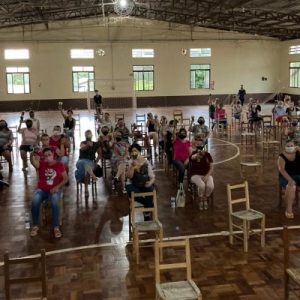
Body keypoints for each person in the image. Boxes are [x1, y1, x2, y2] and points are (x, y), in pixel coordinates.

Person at [30, 147, 68, 238]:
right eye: (46, 156)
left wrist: (57, 187)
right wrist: (31, 155)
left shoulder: (60, 165)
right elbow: (33, 163)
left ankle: (56, 227)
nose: (47, 157)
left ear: (53, 155)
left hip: (54, 189)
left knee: (55, 201)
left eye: (49, 155)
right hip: (42, 189)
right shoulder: (42, 164)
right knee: (35, 200)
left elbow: (66, 179)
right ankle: (35, 225)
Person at [126, 143, 155, 220]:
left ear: (139, 152)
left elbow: (152, 176)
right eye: (132, 152)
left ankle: (147, 213)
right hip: (132, 184)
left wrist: (150, 182)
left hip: (143, 183)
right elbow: (129, 176)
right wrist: (132, 166)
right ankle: (149, 205)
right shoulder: (130, 162)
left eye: (135, 151)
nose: (134, 153)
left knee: (150, 189)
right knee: (131, 191)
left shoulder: (146, 162)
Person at [189, 136, 214, 210]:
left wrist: (207, 175)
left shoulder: (208, 154)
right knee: (202, 185)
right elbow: (193, 157)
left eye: (201, 143)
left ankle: (205, 197)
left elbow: (211, 167)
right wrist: (198, 155)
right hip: (195, 175)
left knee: (210, 186)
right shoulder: (194, 153)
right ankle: (201, 200)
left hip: (206, 174)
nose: (199, 144)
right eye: (198, 143)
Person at [277, 140, 300, 219]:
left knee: (292, 183)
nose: (290, 147)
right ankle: (288, 210)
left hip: (297, 175)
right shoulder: (281, 156)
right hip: (284, 177)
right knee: (291, 186)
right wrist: (290, 180)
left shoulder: (297, 153)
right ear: (285, 147)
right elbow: (281, 170)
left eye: (291, 146)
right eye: (288, 146)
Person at [75, 130, 100, 195]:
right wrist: (87, 145)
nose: (88, 135)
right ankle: (93, 177)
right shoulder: (83, 142)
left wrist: (96, 162)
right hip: (81, 160)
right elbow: (82, 148)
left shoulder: (95, 144)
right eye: (86, 134)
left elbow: (100, 154)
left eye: (89, 134)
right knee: (85, 166)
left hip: (91, 161)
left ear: (92, 135)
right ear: (85, 135)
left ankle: (79, 177)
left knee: (87, 167)